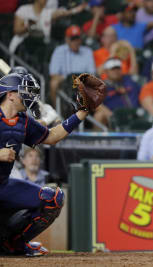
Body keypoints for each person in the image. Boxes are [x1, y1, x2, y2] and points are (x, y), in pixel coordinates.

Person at [0, 72, 92, 256]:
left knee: (53, 198)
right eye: (24, 91)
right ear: (10, 95)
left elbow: (51, 136)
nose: (30, 95)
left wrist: (81, 113)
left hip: (3, 185)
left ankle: (14, 245)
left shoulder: (23, 121)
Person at [10, 0, 86, 53]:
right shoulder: (24, 10)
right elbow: (16, 30)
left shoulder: (47, 12)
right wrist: (29, 26)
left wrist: (75, 10)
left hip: (41, 44)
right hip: (23, 41)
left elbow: (61, 13)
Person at [49, 25, 96, 106]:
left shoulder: (87, 51)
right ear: (67, 39)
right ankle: (57, 111)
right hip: (65, 81)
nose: (76, 41)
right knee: (53, 83)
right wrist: (66, 78)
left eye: (78, 38)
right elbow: (53, 74)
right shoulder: (59, 50)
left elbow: (92, 73)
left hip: (83, 82)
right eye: (73, 39)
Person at [94, 58, 141, 127]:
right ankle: (99, 138)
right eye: (112, 69)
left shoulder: (129, 80)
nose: (116, 71)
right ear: (106, 71)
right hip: (113, 115)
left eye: (118, 68)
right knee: (99, 115)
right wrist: (110, 114)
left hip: (134, 114)